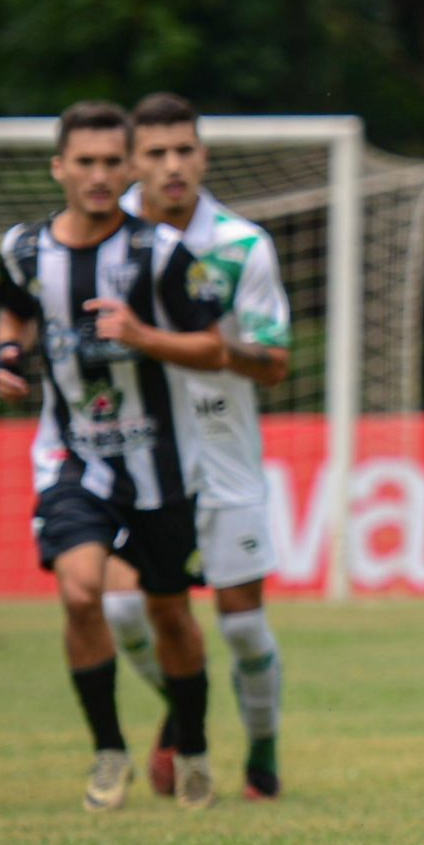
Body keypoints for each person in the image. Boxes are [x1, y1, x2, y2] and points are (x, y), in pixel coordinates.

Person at [0, 101, 231, 809]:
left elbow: (214, 345)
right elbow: (16, 309)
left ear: (128, 169)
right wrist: (8, 353)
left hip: (161, 459)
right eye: (84, 162)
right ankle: (108, 750)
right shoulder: (27, 249)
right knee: (80, 590)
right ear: (59, 167)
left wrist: (143, 335)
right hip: (73, 456)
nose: (98, 176)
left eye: (109, 163)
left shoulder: (160, 253)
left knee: (170, 617)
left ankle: (191, 743)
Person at [108, 93, 295, 800]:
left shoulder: (241, 245)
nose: (172, 164)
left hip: (223, 449)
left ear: (203, 155)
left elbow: (273, 363)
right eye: (155, 153)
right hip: (132, 452)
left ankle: (264, 754)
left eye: (184, 149)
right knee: (125, 612)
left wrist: (219, 349)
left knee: (244, 627)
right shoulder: (102, 240)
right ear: (133, 162)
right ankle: (188, 704)